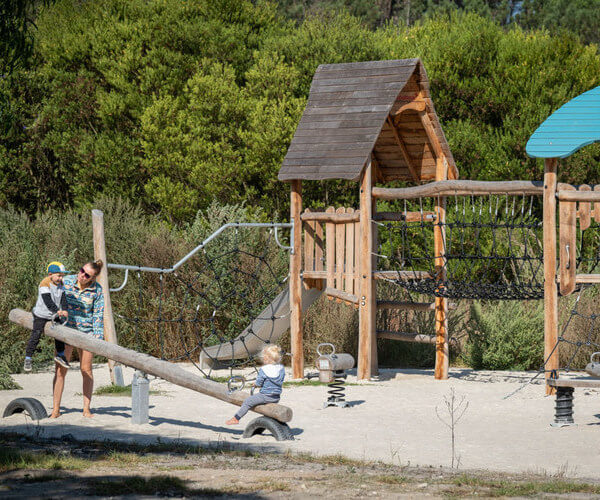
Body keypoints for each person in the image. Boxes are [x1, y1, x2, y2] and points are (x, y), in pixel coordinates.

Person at [51, 260, 104, 419]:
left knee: (86, 370)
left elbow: (98, 315)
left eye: (86, 274)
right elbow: (49, 290)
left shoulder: (97, 290)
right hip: (65, 330)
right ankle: (55, 409)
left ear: (92, 278)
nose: (82, 275)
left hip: (86, 333)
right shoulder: (66, 281)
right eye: (82, 270)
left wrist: (97, 338)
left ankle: (86, 409)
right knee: (60, 370)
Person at [24, 262, 71, 372]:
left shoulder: (61, 284)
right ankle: (28, 357)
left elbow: (64, 299)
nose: (60, 278)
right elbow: (47, 301)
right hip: (41, 314)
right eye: (59, 275)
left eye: (62, 276)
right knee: (36, 334)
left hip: (53, 314)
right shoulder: (44, 284)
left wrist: (65, 309)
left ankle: (60, 354)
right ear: (50, 274)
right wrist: (58, 311)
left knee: (59, 334)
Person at [226, 344, 285, 425]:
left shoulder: (264, 369)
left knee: (247, 401)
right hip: (276, 397)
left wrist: (255, 384)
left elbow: (259, 382)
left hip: (266, 396)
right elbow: (279, 380)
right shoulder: (281, 368)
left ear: (266, 358)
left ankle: (236, 418)